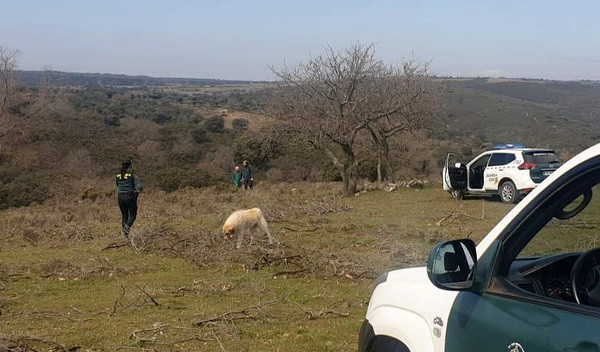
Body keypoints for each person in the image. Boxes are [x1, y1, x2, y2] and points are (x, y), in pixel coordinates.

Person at [116, 160, 142, 238]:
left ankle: (125, 235)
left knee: (124, 215)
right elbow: (139, 185)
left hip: (120, 196)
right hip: (130, 196)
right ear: (130, 166)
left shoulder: (118, 175)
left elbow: (117, 185)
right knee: (133, 215)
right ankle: (126, 229)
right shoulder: (132, 175)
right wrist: (137, 191)